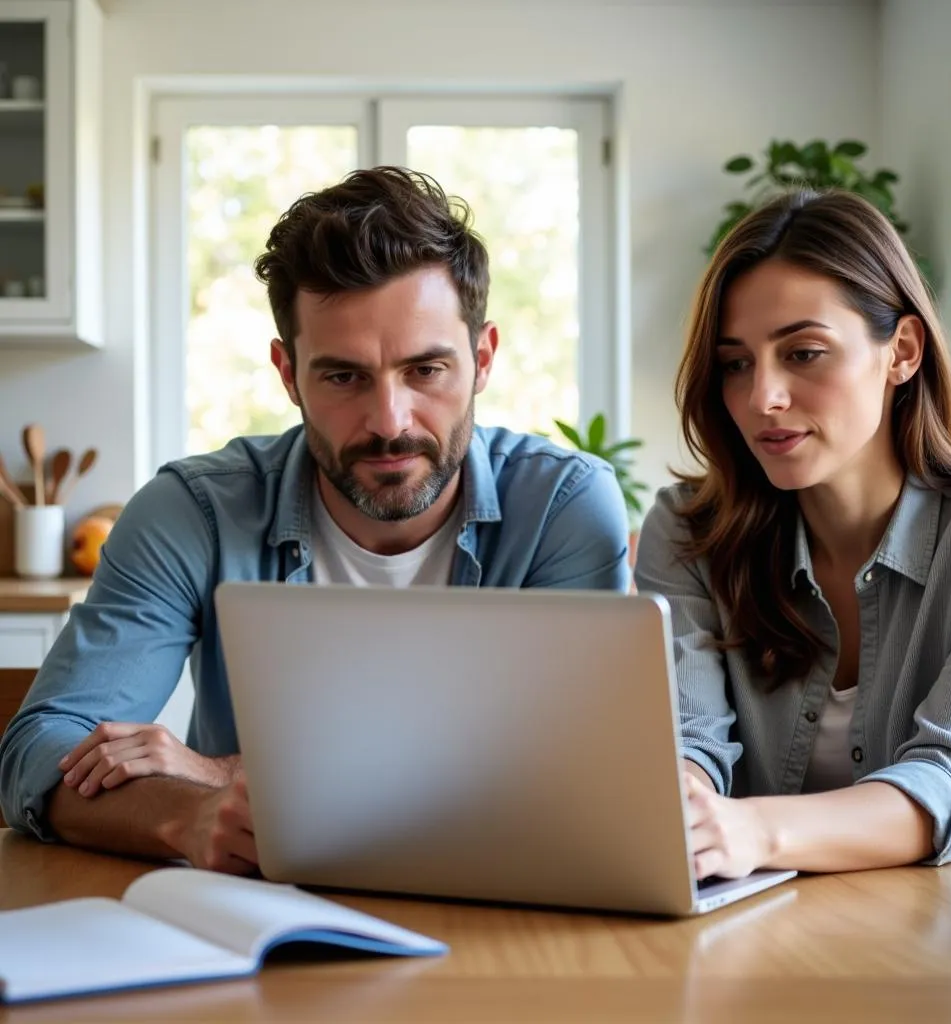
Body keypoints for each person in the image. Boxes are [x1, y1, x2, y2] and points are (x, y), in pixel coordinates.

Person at [0, 166, 630, 873]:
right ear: (287, 372)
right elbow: (39, 751)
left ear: (481, 360)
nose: (389, 424)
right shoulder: (192, 512)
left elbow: (579, 774)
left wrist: (225, 773)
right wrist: (187, 814)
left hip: (503, 915)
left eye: (426, 371)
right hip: (261, 918)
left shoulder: (562, 507)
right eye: (343, 376)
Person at [636, 188, 951, 880]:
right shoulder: (688, 530)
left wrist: (753, 832)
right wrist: (684, 805)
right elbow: (687, 744)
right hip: (762, 942)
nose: (763, 398)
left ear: (901, 351)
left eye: (805, 353)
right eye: (735, 363)